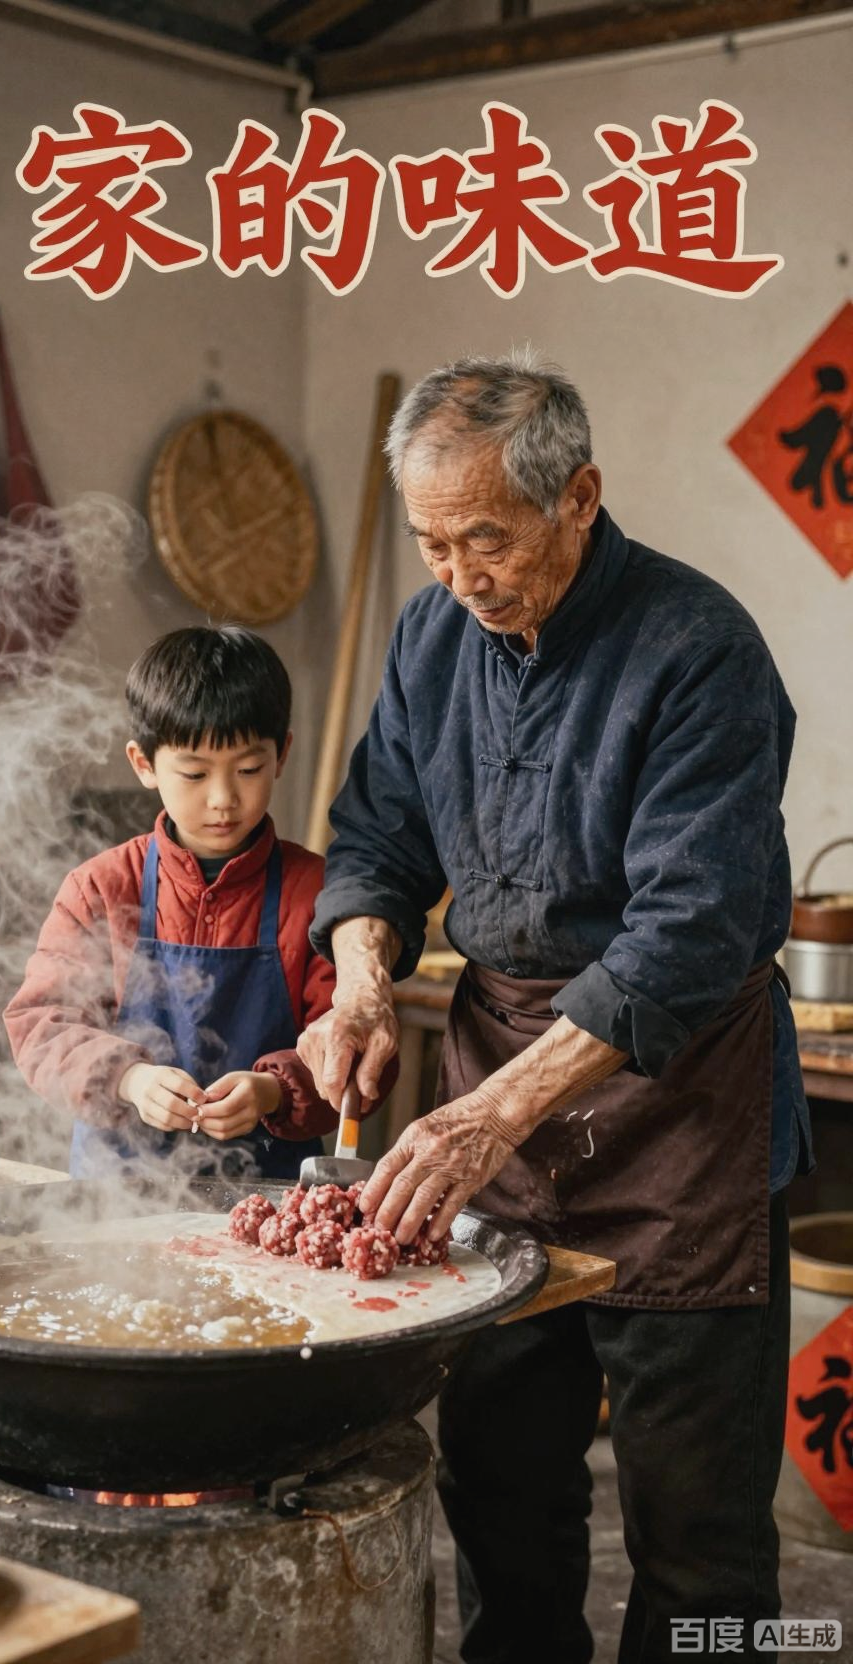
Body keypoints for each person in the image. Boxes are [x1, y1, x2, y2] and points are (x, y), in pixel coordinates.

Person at [297, 355, 814, 1664]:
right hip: (495, 1102)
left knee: (697, 1537)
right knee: (501, 1494)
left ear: (580, 496)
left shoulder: (698, 651)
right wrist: (361, 979)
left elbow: (688, 932)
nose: (459, 574)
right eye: (429, 541)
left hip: (678, 1111)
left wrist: (489, 1114)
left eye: (487, 537)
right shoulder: (430, 639)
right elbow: (377, 840)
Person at [6, 625, 347, 1182]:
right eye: (193, 773)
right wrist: (128, 1079)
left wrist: (274, 1089)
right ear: (143, 764)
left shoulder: (317, 893)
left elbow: (356, 1049)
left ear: (282, 753)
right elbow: (41, 1025)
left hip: (268, 1196)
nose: (223, 799)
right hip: (117, 1198)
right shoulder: (100, 889)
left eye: (248, 769)